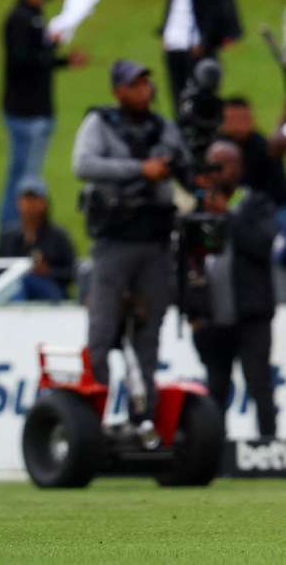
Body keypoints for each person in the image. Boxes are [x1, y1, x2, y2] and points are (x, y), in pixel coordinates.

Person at [73, 59, 185, 446]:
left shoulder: (163, 127)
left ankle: (145, 421)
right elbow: (83, 164)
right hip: (113, 241)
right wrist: (141, 169)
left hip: (155, 242)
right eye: (135, 85)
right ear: (118, 91)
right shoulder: (100, 123)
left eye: (146, 84)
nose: (144, 91)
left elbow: (181, 163)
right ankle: (93, 425)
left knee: (149, 333)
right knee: (102, 333)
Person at [190, 141, 278, 439]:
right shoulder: (197, 208)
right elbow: (188, 261)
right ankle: (213, 454)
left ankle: (269, 449)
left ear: (239, 168)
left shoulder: (255, 204)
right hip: (212, 317)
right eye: (213, 164)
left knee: (259, 385)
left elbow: (262, 246)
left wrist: (228, 216)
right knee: (215, 389)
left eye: (225, 164)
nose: (219, 171)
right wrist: (192, 308)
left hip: (251, 314)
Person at [0, 0, 87, 229]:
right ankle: (13, 235)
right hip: (27, 113)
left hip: (33, 110)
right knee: (25, 181)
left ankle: (12, 233)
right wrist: (51, 46)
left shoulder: (32, 16)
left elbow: (34, 57)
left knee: (22, 176)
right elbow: (21, 62)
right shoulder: (20, 18)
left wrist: (61, 59)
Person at [159, 0, 241, 111]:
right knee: (178, 99)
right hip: (173, 40)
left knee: (204, 97)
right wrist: (167, 29)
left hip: (200, 42)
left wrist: (207, 39)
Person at [0, 176, 75, 302]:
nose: (29, 204)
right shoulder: (8, 236)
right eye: (25, 199)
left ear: (44, 203)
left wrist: (48, 272)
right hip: (14, 289)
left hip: (51, 292)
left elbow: (72, 272)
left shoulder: (58, 236)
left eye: (33, 199)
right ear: (18, 203)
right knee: (18, 285)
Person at [218, 96, 286, 205]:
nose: (239, 125)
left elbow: (277, 191)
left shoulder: (265, 148)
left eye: (243, 119)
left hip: (266, 208)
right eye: (234, 120)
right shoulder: (217, 151)